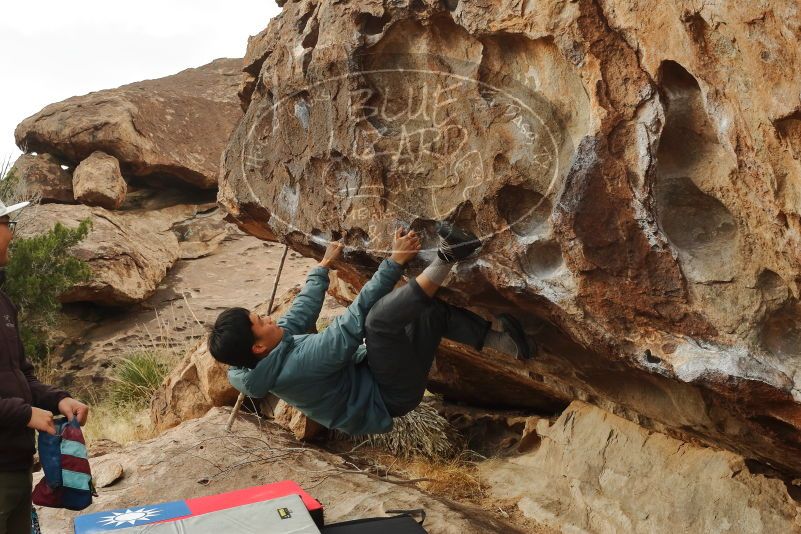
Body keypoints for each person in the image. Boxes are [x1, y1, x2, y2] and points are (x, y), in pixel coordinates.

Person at [208, 222, 532, 435]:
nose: (268, 319)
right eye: (260, 322)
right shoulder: (298, 364)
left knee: (423, 309)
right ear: (258, 348)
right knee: (378, 322)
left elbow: (299, 312)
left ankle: (509, 345)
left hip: (376, 378)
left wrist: (322, 267)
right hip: (389, 395)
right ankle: (450, 255)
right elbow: (355, 319)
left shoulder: (266, 356)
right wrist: (394, 263)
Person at [0, 200, 89, 534]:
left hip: (15, 468)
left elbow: (21, 372)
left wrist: (58, 399)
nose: (11, 232)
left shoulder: (3, 302)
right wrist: (25, 414)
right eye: (7, 223)